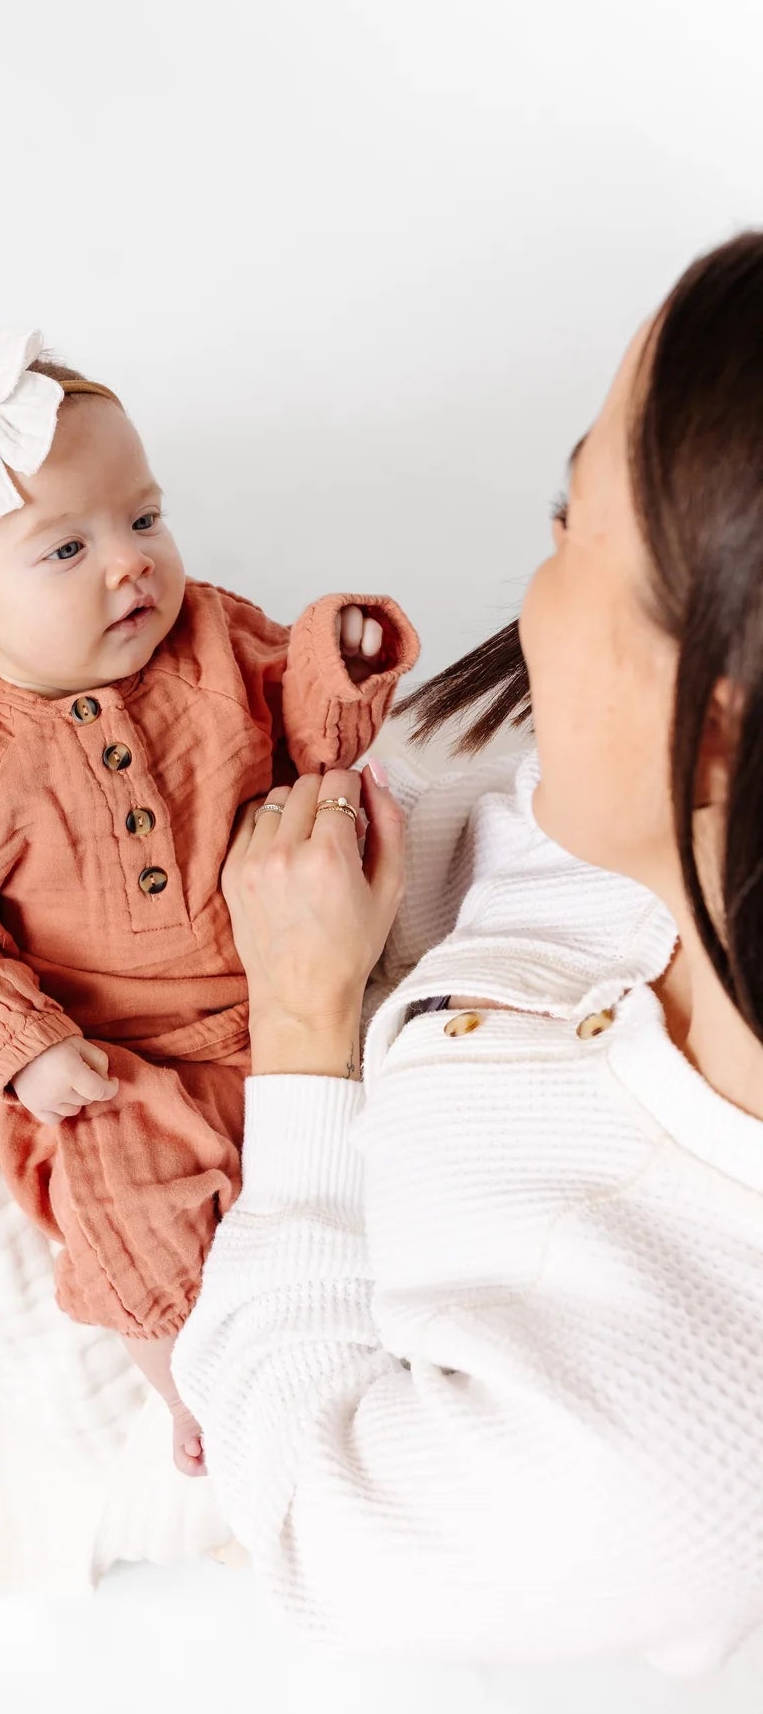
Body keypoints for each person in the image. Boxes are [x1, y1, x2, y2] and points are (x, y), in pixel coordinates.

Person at [170, 231, 763, 1670]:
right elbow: (460, 814)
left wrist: (303, 1034)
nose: (533, 585)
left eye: (570, 521)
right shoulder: (636, 834)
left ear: (724, 717)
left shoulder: (639, 1469)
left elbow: (308, 1502)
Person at [0, 331, 419, 1474]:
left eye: (145, 518)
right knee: (125, 1198)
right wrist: (27, 1047)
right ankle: (196, 1386)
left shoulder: (215, 638)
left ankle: (409, 1319)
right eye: (66, 545)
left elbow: (317, 742)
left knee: (408, 1131)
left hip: (299, 993)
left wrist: (339, 658)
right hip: (121, 1060)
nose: (131, 563)